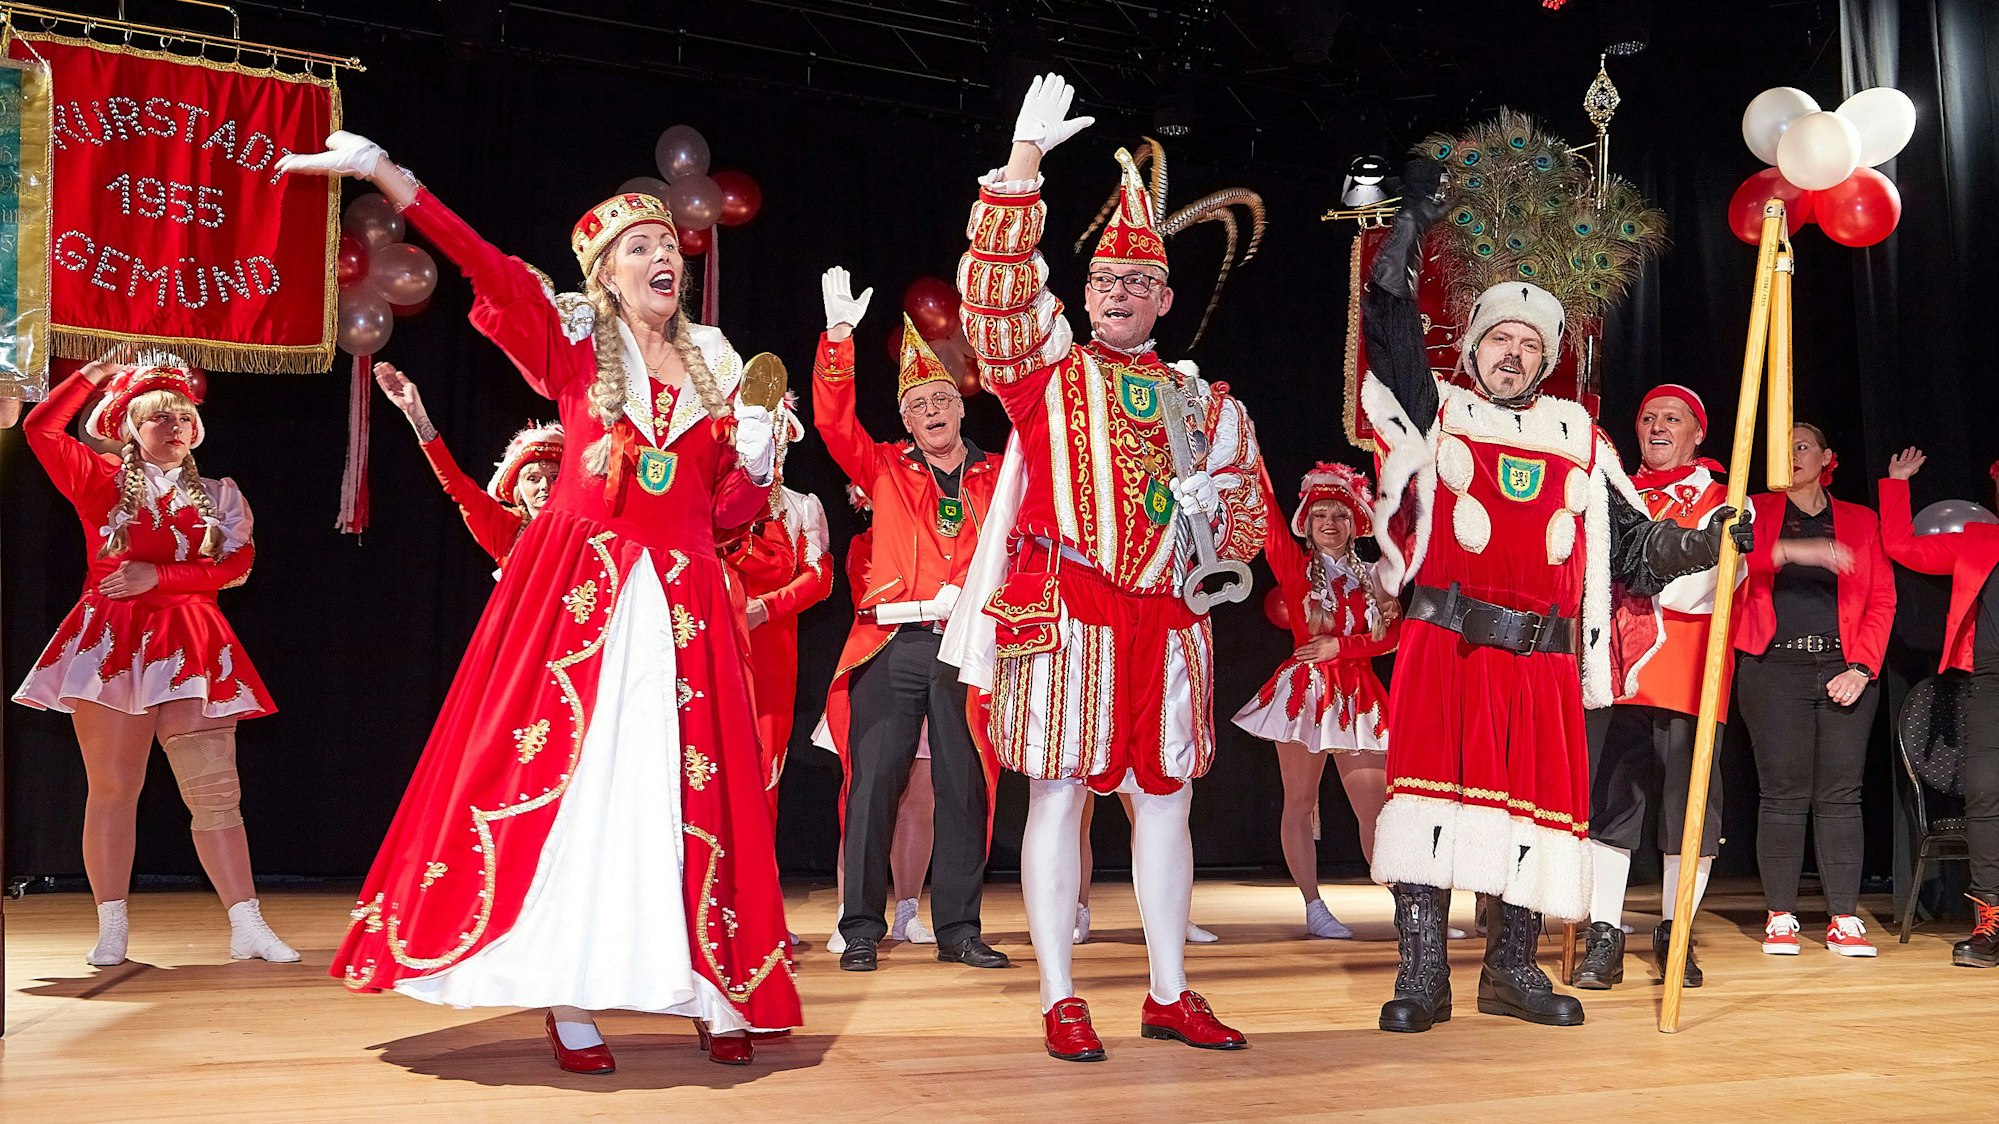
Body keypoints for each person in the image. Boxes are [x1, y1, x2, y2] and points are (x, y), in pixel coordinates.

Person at [280, 132, 799, 1071]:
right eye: (635, 247)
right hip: (582, 599)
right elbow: (482, 262)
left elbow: (722, 512)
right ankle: (567, 996)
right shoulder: (571, 343)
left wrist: (757, 460)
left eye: (664, 245)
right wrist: (388, 174)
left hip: (684, 606)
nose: (660, 258)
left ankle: (712, 983)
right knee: (582, 787)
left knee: (688, 793)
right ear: (602, 273)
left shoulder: (719, 371)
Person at [1357, 157, 1749, 1033]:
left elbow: (1636, 549)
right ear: (1473, 347)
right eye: (1501, 338)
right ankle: (1422, 976)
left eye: (1531, 344)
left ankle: (1512, 970)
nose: (1514, 353)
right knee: (1426, 809)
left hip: (1541, 661)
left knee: (1534, 817)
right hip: (1446, 646)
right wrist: (1407, 232)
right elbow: (1384, 328)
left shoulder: (1580, 436)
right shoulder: (1440, 410)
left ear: (1549, 358)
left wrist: (1702, 539)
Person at [950, 74, 1269, 1061]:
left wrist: (1224, 516)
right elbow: (995, 297)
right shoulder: (1046, 372)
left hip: (1168, 622)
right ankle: (1059, 994)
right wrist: (1023, 166)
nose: (1119, 295)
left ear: (1166, 298)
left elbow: (1252, 528)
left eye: (1138, 284)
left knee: (1167, 800)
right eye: (1103, 283)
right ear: (1084, 295)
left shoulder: (1210, 404)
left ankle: (1170, 990)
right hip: (1069, 611)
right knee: (1058, 793)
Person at [12, 353, 298, 967]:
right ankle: (112, 926)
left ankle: (247, 924)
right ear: (130, 427)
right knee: (115, 788)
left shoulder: (220, 495)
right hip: (113, 643)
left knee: (215, 790)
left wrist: (158, 576)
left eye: (184, 416)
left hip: (191, 639)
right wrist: (95, 374)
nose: (176, 426)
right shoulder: (101, 480)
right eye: (159, 417)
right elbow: (41, 429)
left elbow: (235, 566)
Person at [812, 269, 1007, 973]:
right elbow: (833, 422)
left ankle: (958, 928)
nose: (930, 409)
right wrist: (838, 341)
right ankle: (860, 927)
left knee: (964, 785)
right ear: (904, 420)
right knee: (872, 787)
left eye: (939, 399)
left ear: (959, 407)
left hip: (967, 650)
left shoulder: (998, 476)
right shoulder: (885, 469)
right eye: (916, 403)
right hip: (892, 642)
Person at [1575, 385, 1737, 990]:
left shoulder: (1725, 501)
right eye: (1647, 417)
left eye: (1672, 418)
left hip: (1687, 675)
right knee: (1610, 810)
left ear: (1698, 433)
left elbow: (1702, 591)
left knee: (1686, 814)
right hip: (1615, 677)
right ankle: (1605, 936)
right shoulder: (1613, 493)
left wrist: (1630, 582)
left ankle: (1676, 935)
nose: (1657, 426)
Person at [1734, 423, 1895, 958]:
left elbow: (1881, 600)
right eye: (1783, 447)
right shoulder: (1752, 509)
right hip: (1773, 667)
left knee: (1840, 795)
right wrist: (1796, 552)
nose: (1792, 454)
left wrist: (1863, 668)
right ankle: (1781, 915)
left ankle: (1843, 918)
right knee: (1782, 793)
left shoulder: (1860, 519)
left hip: (1842, 667)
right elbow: (1729, 566)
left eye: (1801, 445)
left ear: (1827, 456)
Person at [1232, 462, 1398, 940]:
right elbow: (1262, 508)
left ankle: (1407, 908)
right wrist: (1249, 449)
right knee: (1300, 802)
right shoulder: (1294, 567)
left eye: (1341, 515)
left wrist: (1342, 647)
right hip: (1306, 695)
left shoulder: (1377, 574)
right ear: (1305, 523)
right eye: (1320, 514)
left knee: (1378, 807)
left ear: (1356, 523)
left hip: (1360, 694)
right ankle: (1313, 904)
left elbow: (1394, 637)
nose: (1330, 523)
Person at [1878, 446, 1999, 966]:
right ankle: (1991, 920)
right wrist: (1897, 484)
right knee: (1985, 796)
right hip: (1989, 682)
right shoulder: (1980, 540)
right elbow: (1902, 545)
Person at [814, 489, 941, 950]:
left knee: (920, 799)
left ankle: (908, 910)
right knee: (861, 798)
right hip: (876, 670)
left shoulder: (938, 536)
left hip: (933, 670)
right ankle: (851, 910)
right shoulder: (866, 545)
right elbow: (874, 597)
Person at [721, 398, 833, 817]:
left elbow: (819, 578)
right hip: (713, 639)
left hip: (772, 649)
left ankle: (754, 880)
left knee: (763, 764)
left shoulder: (801, 506)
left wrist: (765, 608)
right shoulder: (711, 503)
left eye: (778, 438)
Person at [373, 360, 562, 571]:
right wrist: (417, 417)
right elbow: (459, 486)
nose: (545, 485)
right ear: (518, 489)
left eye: (554, 477)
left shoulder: (584, 523)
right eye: (533, 478)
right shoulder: (505, 528)